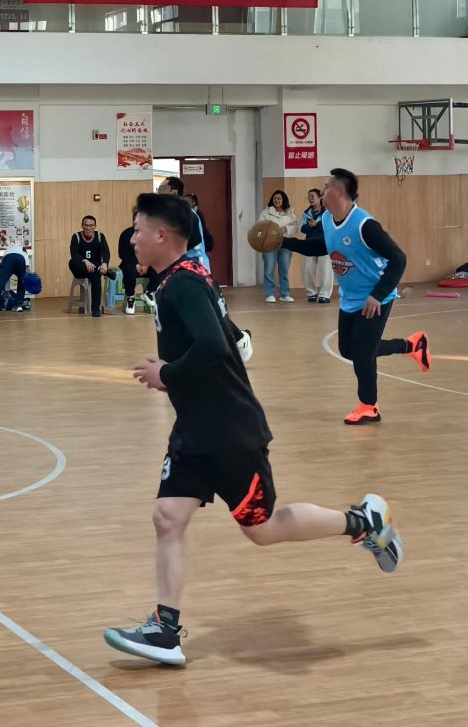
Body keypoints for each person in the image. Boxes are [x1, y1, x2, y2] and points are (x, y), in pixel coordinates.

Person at [102, 192, 402, 667]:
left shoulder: (184, 284)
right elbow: (230, 338)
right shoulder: (180, 278)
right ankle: (165, 631)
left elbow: (214, 347)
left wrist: (168, 374)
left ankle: (363, 520)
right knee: (167, 517)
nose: (132, 238)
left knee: (261, 529)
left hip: (230, 431)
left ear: (161, 235)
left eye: (138, 230)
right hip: (195, 429)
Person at [280, 169, 431, 425]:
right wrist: (285, 242)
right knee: (349, 350)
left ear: (339, 193)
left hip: (376, 298)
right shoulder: (328, 219)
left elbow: (399, 259)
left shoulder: (365, 225)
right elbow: (322, 246)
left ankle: (369, 407)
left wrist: (377, 295)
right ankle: (411, 345)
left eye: (326, 187)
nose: (322, 192)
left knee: (362, 354)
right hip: (350, 298)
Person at [69, 215, 111, 318]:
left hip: (93, 269)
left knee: (95, 275)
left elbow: (106, 252)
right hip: (80, 268)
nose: (88, 228)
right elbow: (74, 254)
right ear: (82, 226)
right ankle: (106, 273)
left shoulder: (100, 236)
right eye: (86, 225)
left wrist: (105, 263)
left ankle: (95, 309)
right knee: (72, 262)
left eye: (91, 225)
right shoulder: (76, 236)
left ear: (95, 226)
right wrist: (85, 261)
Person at [259, 190, 295, 304]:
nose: (277, 200)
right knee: (269, 269)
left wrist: (285, 229)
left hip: (286, 244)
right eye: (275, 198)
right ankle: (270, 294)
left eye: (279, 198)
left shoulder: (290, 213)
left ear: (283, 200)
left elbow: (295, 226)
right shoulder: (266, 213)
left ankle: (285, 294)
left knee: (284, 269)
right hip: (269, 245)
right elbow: (260, 227)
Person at [298, 189, 333, 304]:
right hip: (310, 243)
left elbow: (330, 227)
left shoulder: (328, 212)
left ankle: (324, 294)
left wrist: (316, 225)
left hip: (324, 244)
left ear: (320, 197)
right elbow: (302, 228)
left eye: (313, 196)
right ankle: (311, 293)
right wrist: (310, 226)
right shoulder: (306, 213)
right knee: (308, 269)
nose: (311, 198)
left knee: (325, 270)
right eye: (309, 196)